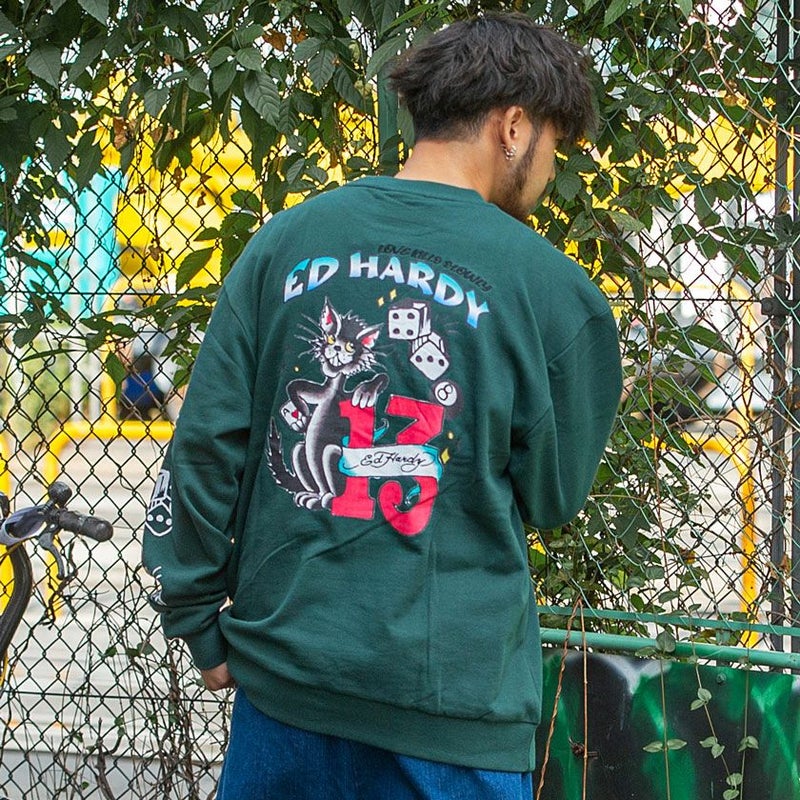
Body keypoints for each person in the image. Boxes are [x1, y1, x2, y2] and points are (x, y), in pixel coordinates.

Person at [142, 12, 622, 800]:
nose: (547, 171)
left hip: (284, 694)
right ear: (513, 127)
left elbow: (204, 445)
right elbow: (553, 496)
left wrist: (196, 618)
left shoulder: (283, 244)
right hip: (452, 716)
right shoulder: (556, 294)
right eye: (554, 146)